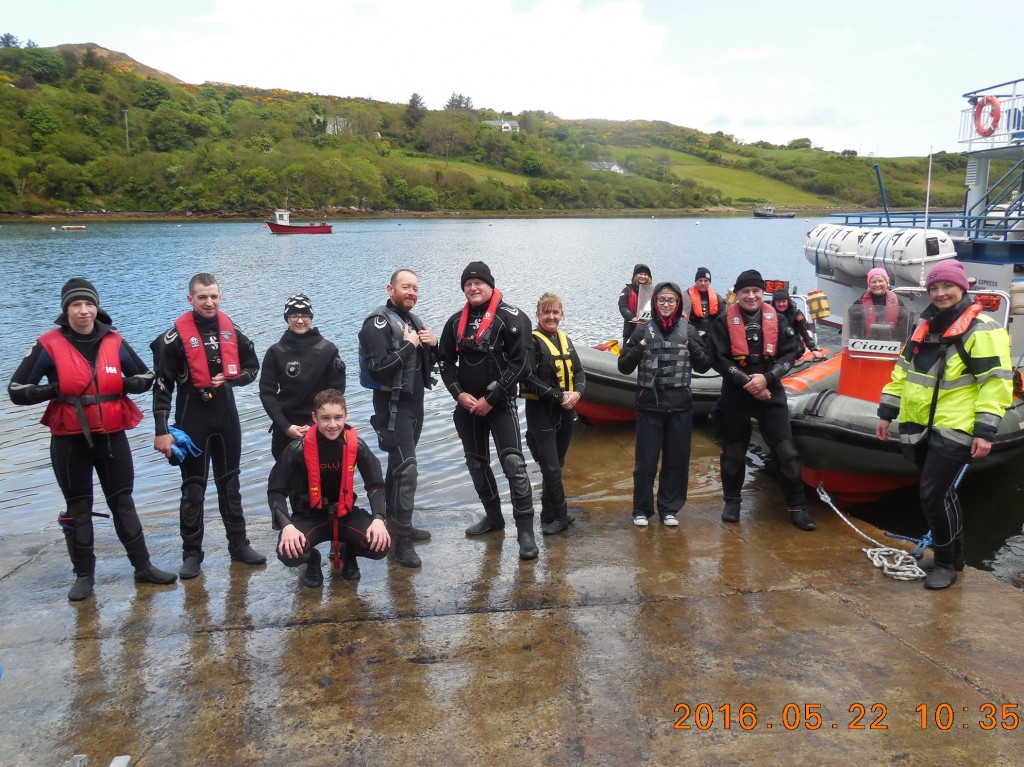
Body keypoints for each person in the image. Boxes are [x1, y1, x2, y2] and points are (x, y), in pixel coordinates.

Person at [8, 278, 177, 601]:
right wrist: (52, 390)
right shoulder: (48, 344)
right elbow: (16, 391)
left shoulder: (113, 340)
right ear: (66, 309)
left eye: (88, 304)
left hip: (112, 436)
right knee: (79, 506)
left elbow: (144, 377)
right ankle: (84, 576)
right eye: (76, 305)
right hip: (69, 440)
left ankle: (143, 567)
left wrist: (117, 385)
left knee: (123, 502)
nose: (84, 311)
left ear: (96, 307)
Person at [875, 260, 1012, 590]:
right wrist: (886, 412)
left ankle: (946, 563)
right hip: (920, 424)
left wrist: (985, 430)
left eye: (947, 287)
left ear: (962, 288)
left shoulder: (983, 329)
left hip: (956, 426)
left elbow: (996, 382)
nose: (940, 293)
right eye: (934, 288)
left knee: (932, 495)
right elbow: (903, 372)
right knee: (943, 494)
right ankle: (956, 556)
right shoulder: (925, 326)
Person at [152, 272, 266, 579]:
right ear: (190, 299)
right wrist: (161, 428)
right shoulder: (173, 338)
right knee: (193, 489)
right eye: (202, 297)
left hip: (226, 418)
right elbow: (162, 385)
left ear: (220, 296)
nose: (209, 302)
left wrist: (234, 379)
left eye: (214, 296)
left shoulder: (233, 330)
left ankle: (239, 546)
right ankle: (191, 553)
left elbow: (252, 367)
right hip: (192, 419)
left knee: (231, 485)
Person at [438, 261, 538, 559]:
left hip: (499, 404)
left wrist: (490, 399)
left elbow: (521, 364)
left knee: (514, 466)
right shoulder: (454, 321)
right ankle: (494, 519)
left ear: (490, 285)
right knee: (476, 465)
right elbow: (445, 362)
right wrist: (459, 395)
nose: (473, 287)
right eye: (467, 284)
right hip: (467, 406)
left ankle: (525, 533)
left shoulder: (512, 318)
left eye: (478, 282)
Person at [707, 269, 816, 531]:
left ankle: (797, 506)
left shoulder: (778, 320)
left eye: (756, 291)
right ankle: (732, 502)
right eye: (745, 291)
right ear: (737, 294)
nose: (751, 296)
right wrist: (748, 383)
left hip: (770, 388)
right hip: (736, 391)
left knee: (787, 453)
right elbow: (719, 360)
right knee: (733, 452)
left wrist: (767, 378)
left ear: (762, 293)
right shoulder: (723, 323)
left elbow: (790, 355)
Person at [357, 268, 437, 569]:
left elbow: (428, 361)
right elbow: (378, 370)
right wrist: (409, 346)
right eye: (406, 287)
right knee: (407, 471)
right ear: (390, 289)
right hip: (393, 409)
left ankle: (397, 525)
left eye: (416, 288)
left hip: (415, 406)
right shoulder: (377, 323)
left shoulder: (413, 321)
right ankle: (400, 542)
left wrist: (433, 343)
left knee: (398, 468)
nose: (412, 293)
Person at [269, 389, 390, 586]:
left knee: (381, 546)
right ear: (314, 417)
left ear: (346, 416)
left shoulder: (356, 445)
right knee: (287, 553)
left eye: (337, 417)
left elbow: (375, 485)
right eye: (325, 418)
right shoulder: (296, 449)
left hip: (346, 513)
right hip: (310, 515)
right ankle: (313, 560)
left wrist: (378, 519)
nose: (332, 425)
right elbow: (276, 490)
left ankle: (349, 552)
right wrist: (287, 525)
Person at [618, 282, 712, 527]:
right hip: (649, 405)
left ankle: (669, 509)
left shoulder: (688, 330)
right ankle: (641, 510)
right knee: (645, 463)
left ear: (678, 303)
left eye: (671, 300)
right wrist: (639, 346)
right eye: (662, 300)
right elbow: (623, 366)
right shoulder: (642, 331)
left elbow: (703, 365)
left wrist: (693, 344)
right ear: (655, 303)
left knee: (677, 461)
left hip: (680, 406)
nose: (666, 304)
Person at [520, 292, 586, 536]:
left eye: (555, 312)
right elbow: (527, 375)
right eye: (546, 312)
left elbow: (579, 371)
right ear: (538, 314)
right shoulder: (531, 341)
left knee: (558, 463)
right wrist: (558, 396)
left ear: (561, 315)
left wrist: (577, 394)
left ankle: (548, 513)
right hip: (541, 410)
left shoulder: (565, 339)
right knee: (550, 466)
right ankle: (561, 515)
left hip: (566, 410)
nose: (551, 316)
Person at [259, 293, 346, 460]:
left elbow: (336, 393)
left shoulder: (328, 350)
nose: (300, 320)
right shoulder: (275, 352)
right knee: (287, 483)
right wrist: (285, 426)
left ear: (311, 317)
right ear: (287, 318)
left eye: (305, 315)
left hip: (323, 426)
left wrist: (319, 425)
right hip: (286, 428)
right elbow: (267, 393)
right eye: (294, 315)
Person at [771, 288, 824, 359]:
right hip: (773, 342)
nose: (781, 304)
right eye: (778, 302)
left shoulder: (796, 314)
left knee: (796, 351)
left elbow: (804, 331)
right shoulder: (768, 313)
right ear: (774, 303)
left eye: (784, 301)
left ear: (788, 302)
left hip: (792, 341)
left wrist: (813, 349)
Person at [853, 267, 905, 339]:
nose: (877, 285)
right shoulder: (858, 304)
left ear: (887, 282)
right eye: (873, 282)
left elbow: (904, 329)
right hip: (865, 345)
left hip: (891, 346)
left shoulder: (899, 304)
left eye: (880, 281)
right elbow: (853, 329)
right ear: (869, 284)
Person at [617, 264, 653, 347]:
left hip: (647, 327)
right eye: (640, 274)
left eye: (645, 274)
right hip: (630, 327)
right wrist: (632, 317)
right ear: (635, 276)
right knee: (628, 351)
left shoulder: (652, 292)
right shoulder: (627, 290)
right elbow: (622, 306)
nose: (643, 276)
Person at [687, 266, 725, 338]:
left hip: (712, 332)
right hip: (693, 331)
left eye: (706, 281)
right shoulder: (686, 297)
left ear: (709, 282)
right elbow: (683, 320)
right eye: (700, 280)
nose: (703, 283)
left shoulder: (717, 298)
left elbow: (722, 319)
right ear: (696, 281)